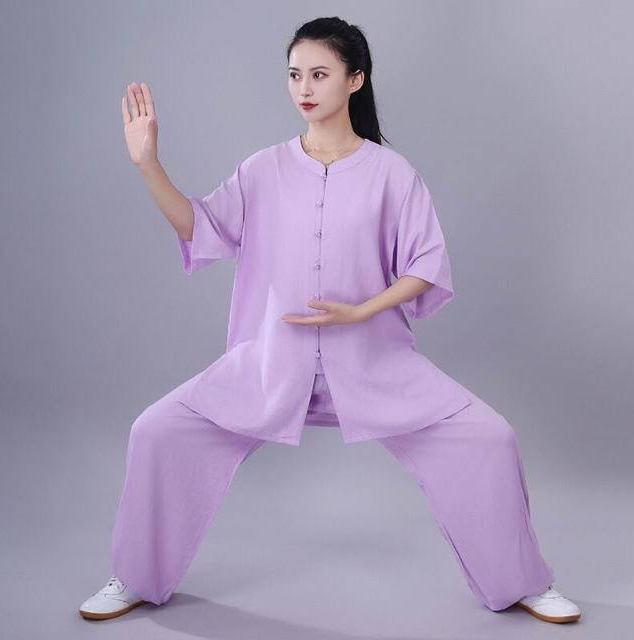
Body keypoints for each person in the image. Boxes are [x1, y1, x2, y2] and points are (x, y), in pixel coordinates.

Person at [79, 16, 581, 624]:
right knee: (155, 431)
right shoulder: (262, 169)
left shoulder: (393, 175)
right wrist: (147, 164)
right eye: (295, 75)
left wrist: (362, 310)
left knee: (490, 438)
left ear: (355, 79)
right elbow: (201, 228)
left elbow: (425, 265)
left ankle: (524, 582)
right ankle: (135, 576)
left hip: (375, 365)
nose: (304, 88)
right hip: (268, 366)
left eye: (319, 74)